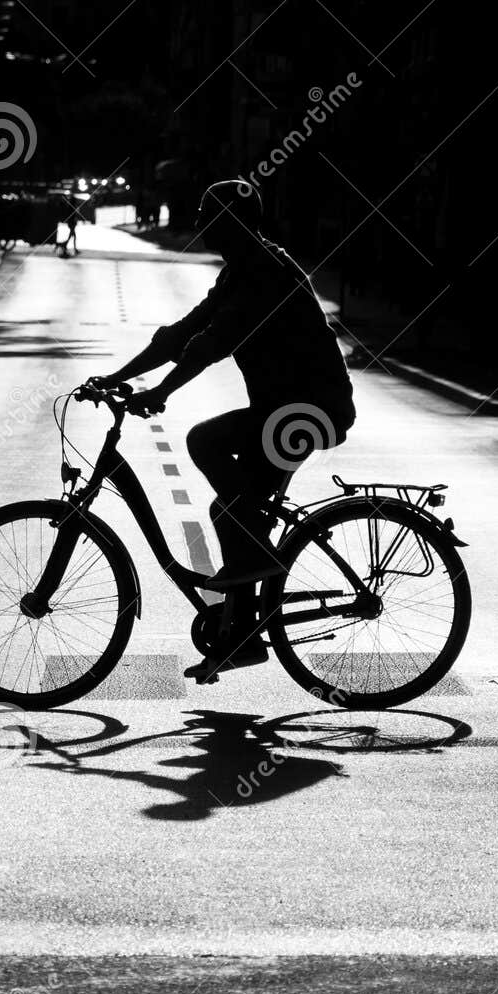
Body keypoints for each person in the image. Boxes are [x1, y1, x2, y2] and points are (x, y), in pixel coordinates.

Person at [101, 179, 355, 680]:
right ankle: (242, 636)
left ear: (233, 223)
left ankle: (252, 579)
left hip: (308, 413)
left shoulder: (264, 272)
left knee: (206, 444)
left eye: (208, 216)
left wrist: (162, 392)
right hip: (286, 412)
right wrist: (117, 378)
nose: (199, 225)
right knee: (234, 511)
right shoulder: (242, 269)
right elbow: (184, 333)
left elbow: (213, 342)